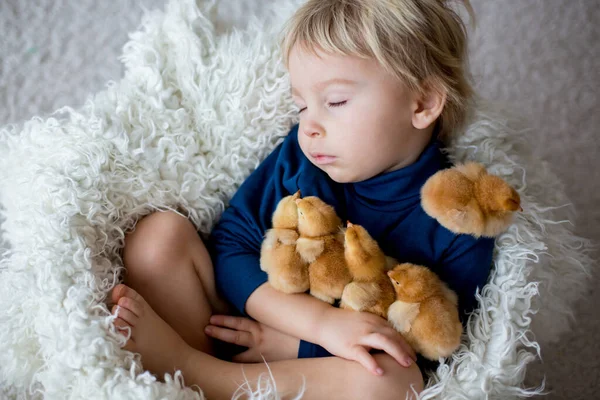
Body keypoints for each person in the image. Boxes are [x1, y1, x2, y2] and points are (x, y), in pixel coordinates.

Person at [109, 1, 493, 398]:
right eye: (302, 105)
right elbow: (232, 246)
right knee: (157, 240)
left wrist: (300, 345)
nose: (309, 126)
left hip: (320, 374)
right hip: (240, 325)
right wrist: (317, 324)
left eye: (336, 102)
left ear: (423, 103)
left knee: (396, 380)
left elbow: (437, 344)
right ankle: (196, 370)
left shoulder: (458, 216)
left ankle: (190, 371)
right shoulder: (300, 159)